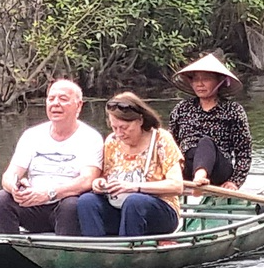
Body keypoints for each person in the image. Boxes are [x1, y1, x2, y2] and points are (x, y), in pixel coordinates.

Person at [0, 79, 102, 236]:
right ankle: (8, 250)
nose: (55, 104)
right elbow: (9, 175)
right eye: (51, 99)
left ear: (79, 105)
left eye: (63, 99)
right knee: (1, 199)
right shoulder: (32, 135)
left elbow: (87, 180)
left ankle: (64, 253)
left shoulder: (91, 137)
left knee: (72, 205)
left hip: (66, 204)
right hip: (34, 205)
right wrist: (15, 188)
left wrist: (49, 193)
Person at [77, 92, 185, 238]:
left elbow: (177, 186)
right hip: (118, 207)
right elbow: (106, 176)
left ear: (140, 120)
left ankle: (128, 250)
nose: (119, 133)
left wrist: (135, 187)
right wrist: (100, 183)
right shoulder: (112, 141)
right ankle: (96, 249)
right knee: (86, 201)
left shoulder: (161, 139)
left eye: (124, 127)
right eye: (114, 128)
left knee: (134, 201)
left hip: (158, 210)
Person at [169, 53, 253, 190]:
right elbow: (171, 144)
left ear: (219, 81)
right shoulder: (182, 109)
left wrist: (235, 181)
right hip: (187, 167)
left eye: (206, 79)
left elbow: (244, 150)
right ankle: (196, 179)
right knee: (188, 151)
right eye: (196, 79)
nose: (199, 84)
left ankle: (200, 177)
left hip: (219, 169)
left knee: (206, 142)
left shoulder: (233, 110)